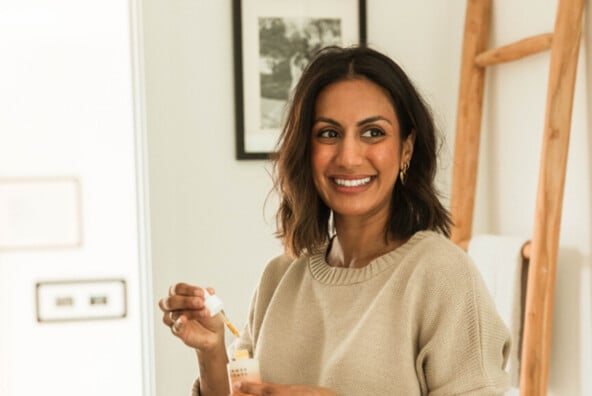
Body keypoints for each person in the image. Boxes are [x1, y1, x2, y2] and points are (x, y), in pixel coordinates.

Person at [158, 45, 511, 396]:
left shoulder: (444, 276)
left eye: (373, 132)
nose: (349, 157)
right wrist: (210, 351)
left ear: (406, 148)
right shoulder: (279, 278)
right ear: (306, 150)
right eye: (328, 133)